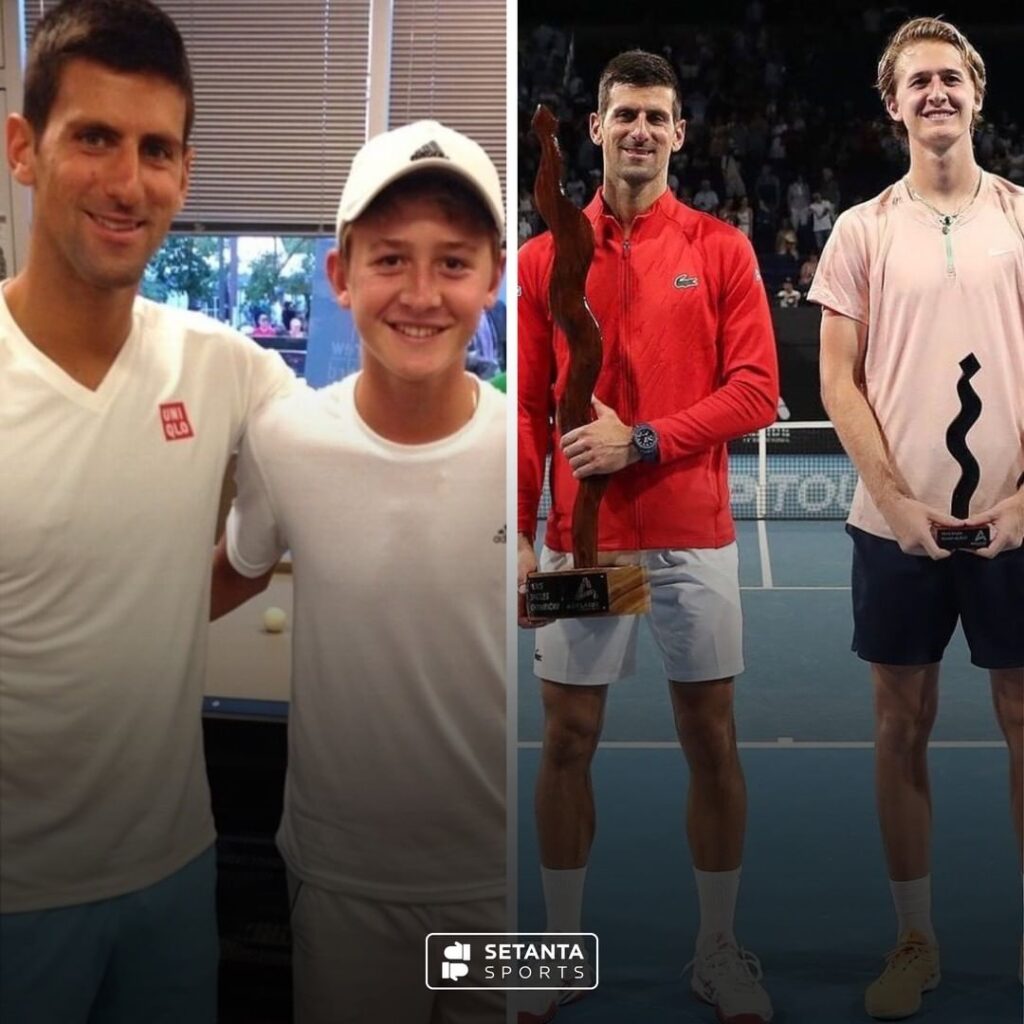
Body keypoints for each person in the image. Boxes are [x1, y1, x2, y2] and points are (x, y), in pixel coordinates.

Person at [0, 2, 294, 1022]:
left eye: (157, 149)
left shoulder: (222, 367)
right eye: (95, 138)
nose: (129, 183)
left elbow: (355, 466)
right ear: (22, 148)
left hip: (176, 873)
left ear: (185, 169)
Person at [211, 120, 507, 1024]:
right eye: (389, 260)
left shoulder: (529, 446)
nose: (420, 294)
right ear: (340, 276)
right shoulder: (284, 437)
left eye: (453, 262)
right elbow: (234, 571)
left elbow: (591, 595)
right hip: (341, 885)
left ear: (494, 275)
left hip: (498, 890)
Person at [518, 49, 779, 1024]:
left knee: (709, 739)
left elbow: (755, 388)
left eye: (655, 118)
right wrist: (515, 533)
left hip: (689, 540)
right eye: (622, 114)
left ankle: (717, 947)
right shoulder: (544, 256)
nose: (638, 131)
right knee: (566, 739)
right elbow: (525, 414)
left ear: (678, 133)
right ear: (594, 128)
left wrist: (647, 438)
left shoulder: (719, 249)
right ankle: (555, 953)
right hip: (580, 544)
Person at [810, 16, 1023, 1021]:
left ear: (976, 95)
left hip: (1016, 525)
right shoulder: (860, 229)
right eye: (916, 82)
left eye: (950, 78)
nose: (935, 93)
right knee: (901, 725)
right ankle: (912, 940)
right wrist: (893, 501)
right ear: (890, 105)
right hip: (890, 527)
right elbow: (836, 381)